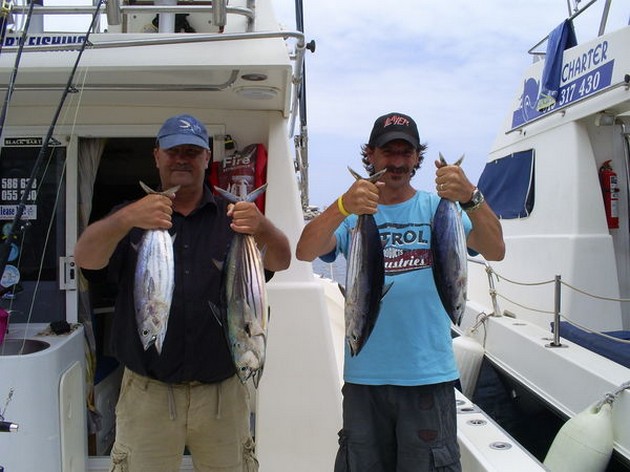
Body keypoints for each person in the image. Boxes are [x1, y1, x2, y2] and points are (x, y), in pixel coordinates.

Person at [74, 114, 291, 472]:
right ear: (157, 156)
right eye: (173, 151)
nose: (181, 159)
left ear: (207, 158)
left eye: (191, 152)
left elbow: (281, 260)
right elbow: (86, 260)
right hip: (148, 396)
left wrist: (262, 225)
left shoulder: (232, 218)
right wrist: (126, 218)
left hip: (222, 396)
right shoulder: (130, 217)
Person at [295, 112, 505, 472]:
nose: (396, 162)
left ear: (417, 157)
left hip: (428, 376)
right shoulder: (354, 214)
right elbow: (305, 251)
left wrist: (470, 196)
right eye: (387, 152)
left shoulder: (438, 207)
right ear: (371, 154)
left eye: (405, 153)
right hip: (364, 379)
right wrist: (343, 205)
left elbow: (496, 249)